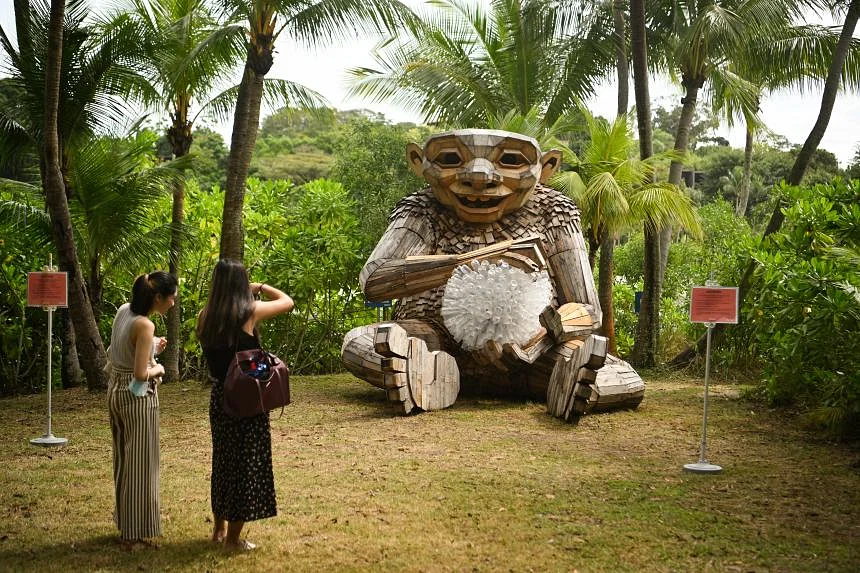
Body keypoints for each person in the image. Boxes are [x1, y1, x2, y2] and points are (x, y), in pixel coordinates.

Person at [196, 258, 294, 550]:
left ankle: (218, 531)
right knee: (245, 466)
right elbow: (287, 302)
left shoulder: (205, 315)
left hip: (220, 398)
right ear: (241, 284)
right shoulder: (248, 312)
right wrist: (260, 287)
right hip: (247, 399)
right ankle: (234, 541)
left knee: (223, 463)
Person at [106, 271, 177, 550]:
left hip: (115, 392)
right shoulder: (145, 325)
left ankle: (126, 523)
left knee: (124, 460)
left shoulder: (125, 312)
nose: (173, 303)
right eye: (171, 298)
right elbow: (140, 373)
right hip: (137, 400)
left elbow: (120, 349)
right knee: (140, 466)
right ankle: (132, 536)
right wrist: (158, 367)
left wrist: (152, 349)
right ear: (157, 297)